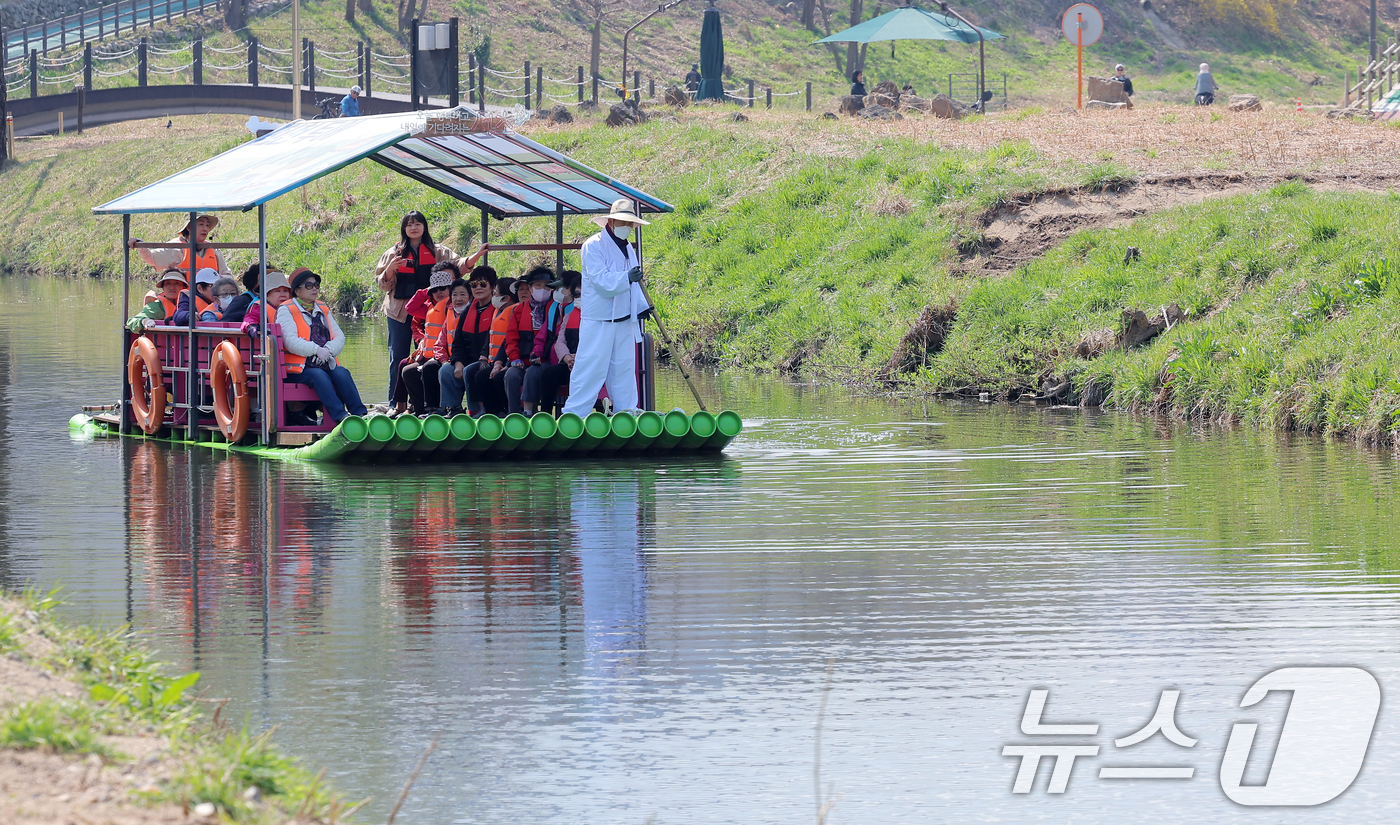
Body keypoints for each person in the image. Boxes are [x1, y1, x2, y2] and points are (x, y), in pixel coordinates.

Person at [373, 212, 481, 402]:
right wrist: (390, 269)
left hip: (429, 311)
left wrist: (476, 256)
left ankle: (424, 403)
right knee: (398, 357)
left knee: (426, 357)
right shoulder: (392, 253)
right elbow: (383, 284)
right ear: (404, 229)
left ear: (424, 226)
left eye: (417, 224)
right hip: (399, 312)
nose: (413, 228)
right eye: (409, 225)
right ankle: (395, 402)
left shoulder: (438, 251)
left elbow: (459, 266)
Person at [562, 199, 651, 418]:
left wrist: (641, 306)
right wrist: (626, 278)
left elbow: (635, 283)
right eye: (623, 222)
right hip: (599, 320)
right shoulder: (593, 245)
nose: (626, 227)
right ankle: (575, 415)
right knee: (590, 368)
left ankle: (626, 412)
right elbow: (601, 281)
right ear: (611, 221)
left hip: (623, 318)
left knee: (624, 369)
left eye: (629, 223)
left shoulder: (628, 247)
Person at [277, 268, 367, 424]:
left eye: (316, 285)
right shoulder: (286, 310)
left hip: (325, 362)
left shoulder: (322, 308)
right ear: (297, 290)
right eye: (309, 285)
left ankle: (360, 414)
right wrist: (316, 350)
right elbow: (290, 341)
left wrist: (328, 350)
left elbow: (339, 337)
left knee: (342, 373)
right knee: (319, 376)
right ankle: (341, 417)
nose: (314, 289)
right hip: (298, 368)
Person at [395, 263, 460, 415]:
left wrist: (451, 289)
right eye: (435, 290)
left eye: (442, 288)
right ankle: (420, 411)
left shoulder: (453, 305)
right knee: (407, 371)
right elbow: (410, 308)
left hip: (447, 355)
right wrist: (429, 288)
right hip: (430, 354)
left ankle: (437, 409)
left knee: (428, 368)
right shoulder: (429, 307)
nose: (438, 292)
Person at [441, 266, 499, 416]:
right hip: (468, 359)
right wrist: (458, 362)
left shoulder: (497, 310)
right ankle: (454, 409)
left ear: (493, 287)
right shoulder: (468, 311)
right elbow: (458, 342)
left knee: (470, 370)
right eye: (474, 284)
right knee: (445, 371)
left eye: (483, 284)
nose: (478, 288)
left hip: (488, 360)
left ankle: (476, 411)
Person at [502, 266, 554, 416]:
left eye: (547, 286)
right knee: (511, 375)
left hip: (546, 361)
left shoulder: (555, 308)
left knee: (532, 373)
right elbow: (511, 338)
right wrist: (514, 358)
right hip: (522, 360)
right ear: (530, 288)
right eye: (538, 285)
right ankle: (514, 414)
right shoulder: (519, 310)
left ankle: (528, 412)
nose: (542, 289)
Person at [529, 270, 582, 416]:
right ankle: (545, 417)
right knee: (549, 374)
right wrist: (566, 357)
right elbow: (560, 341)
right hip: (569, 363)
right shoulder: (569, 315)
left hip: (590, 365)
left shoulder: (599, 317)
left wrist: (579, 359)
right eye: (576, 294)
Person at [127, 214, 231, 279]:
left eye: (207, 225)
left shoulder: (214, 249)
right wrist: (140, 244)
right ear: (189, 227)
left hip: (210, 300)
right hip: (183, 301)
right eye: (201, 224)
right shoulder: (177, 247)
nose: (205, 229)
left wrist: (217, 278)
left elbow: (227, 276)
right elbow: (152, 259)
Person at [472, 278, 518, 416]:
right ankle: (489, 412)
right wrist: (483, 356)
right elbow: (489, 335)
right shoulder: (498, 311)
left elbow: (509, 339)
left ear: (506, 298)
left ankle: (503, 411)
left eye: (496, 293)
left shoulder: (514, 311)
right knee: (476, 373)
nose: (494, 296)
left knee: (494, 377)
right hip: (494, 359)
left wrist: (504, 363)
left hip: (508, 359)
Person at [238, 269, 292, 337]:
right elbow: (250, 318)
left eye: (286, 291)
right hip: (270, 342)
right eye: (277, 291)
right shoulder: (262, 308)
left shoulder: (294, 307)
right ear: (267, 295)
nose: (283, 294)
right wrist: (251, 326)